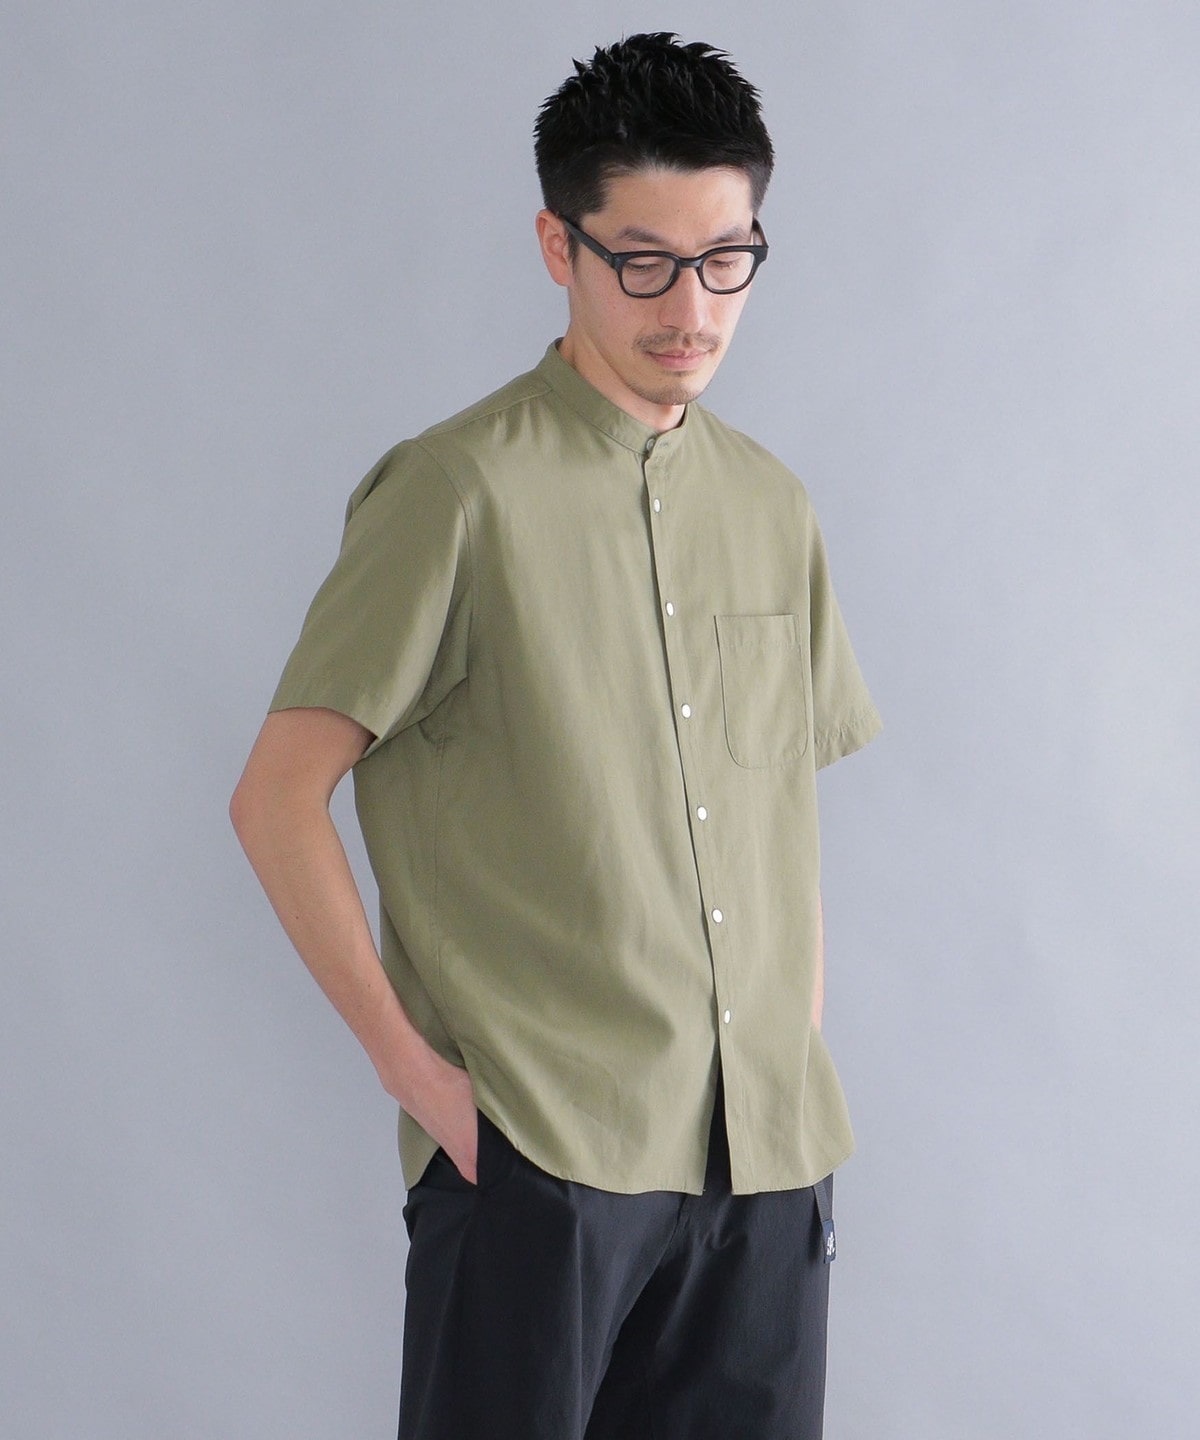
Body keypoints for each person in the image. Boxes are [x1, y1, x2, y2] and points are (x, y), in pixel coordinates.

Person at [230, 31, 881, 1440]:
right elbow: (276, 799)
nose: (691, 307)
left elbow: (781, 815)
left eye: (726, 259)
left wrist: (787, 1045)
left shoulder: (775, 508)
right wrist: (420, 1081)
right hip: (542, 1149)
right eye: (642, 262)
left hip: (766, 1159)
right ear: (557, 246)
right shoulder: (453, 492)